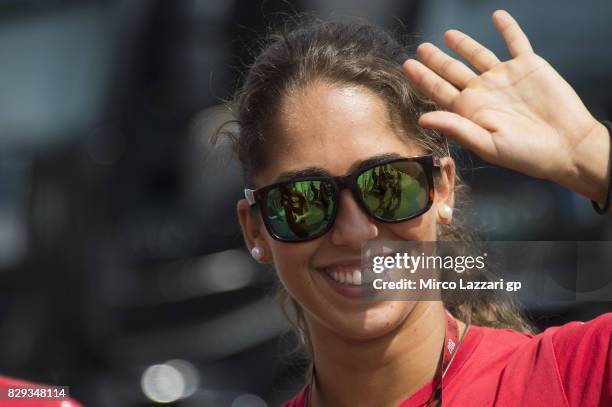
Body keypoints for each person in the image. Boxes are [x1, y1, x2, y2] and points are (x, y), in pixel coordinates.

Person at [218, 9, 612, 406]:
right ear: (256, 230)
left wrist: (593, 157)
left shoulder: (571, 377)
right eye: (304, 200)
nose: (355, 232)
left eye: (388, 184)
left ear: (442, 189)